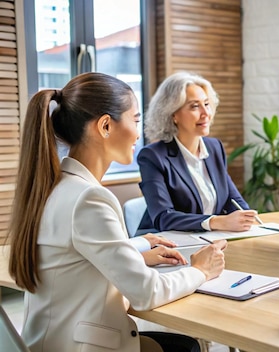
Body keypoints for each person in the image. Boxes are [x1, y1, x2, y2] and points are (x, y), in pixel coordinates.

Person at [8, 72, 228, 352]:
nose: (139, 133)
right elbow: (146, 293)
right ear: (105, 126)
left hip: (51, 340)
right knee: (187, 347)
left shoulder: (55, 186)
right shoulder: (90, 198)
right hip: (80, 345)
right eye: (135, 120)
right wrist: (200, 269)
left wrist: (137, 246)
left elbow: (76, 250)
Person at [137, 72, 258, 233]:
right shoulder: (153, 156)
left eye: (206, 104)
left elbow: (232, 200)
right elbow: (163, 217)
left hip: (207, 240)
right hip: (164, 245)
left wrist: (246, 218)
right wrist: (216, 222)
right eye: (195, 106)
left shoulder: (214, 147)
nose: (205, 113)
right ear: (173, 114)